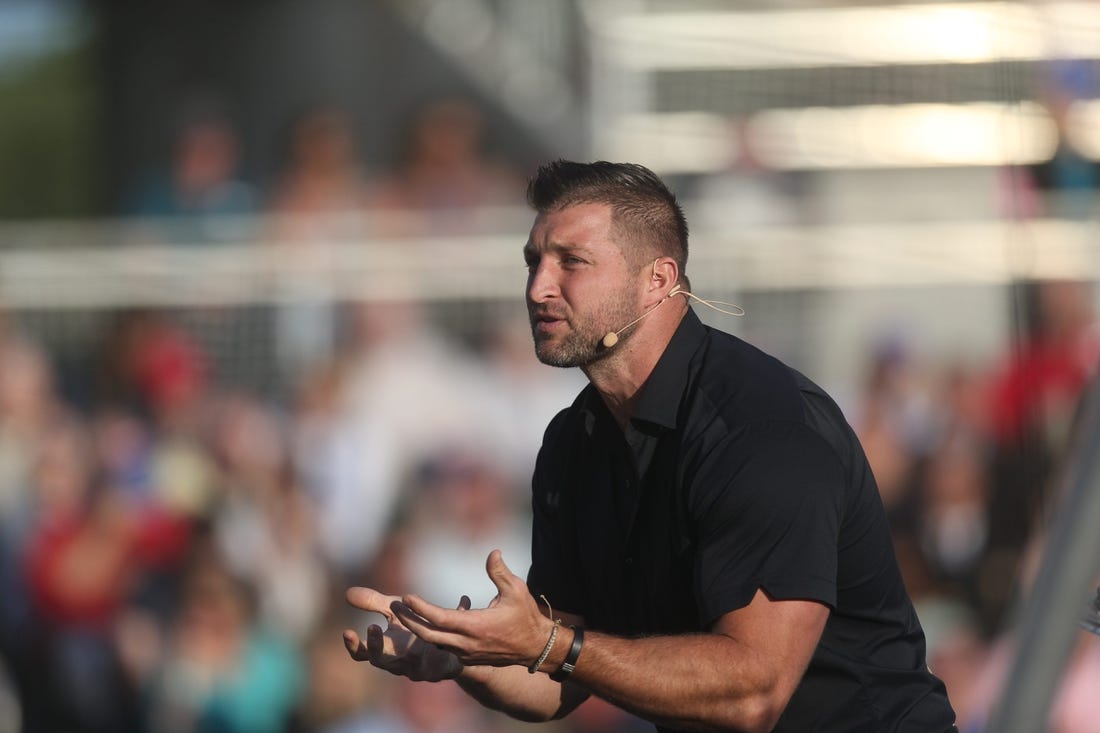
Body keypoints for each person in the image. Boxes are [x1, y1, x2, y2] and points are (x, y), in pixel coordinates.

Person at [343, 160, 957, 733]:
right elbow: (558, 681)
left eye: (571, 261)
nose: (537, 288)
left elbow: (753, 691)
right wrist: (461, 656)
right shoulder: (573, 444)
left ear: (657, 279)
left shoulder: (762, 427)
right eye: (533, 261)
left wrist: (551, 647)